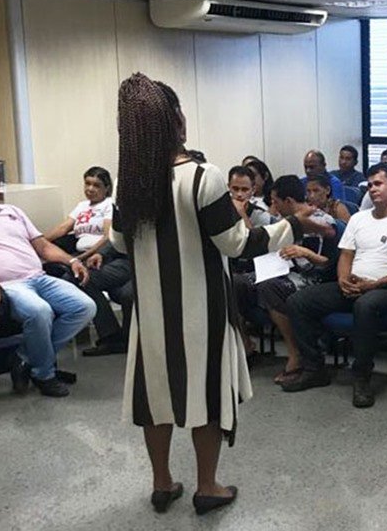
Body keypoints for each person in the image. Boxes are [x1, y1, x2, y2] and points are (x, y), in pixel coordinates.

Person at [111, 74, 319, 515]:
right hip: (201, 312)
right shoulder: (203, 176)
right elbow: (238, 243)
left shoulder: (127, 183)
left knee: (157, 396)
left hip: (149, 313)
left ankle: (162, 483)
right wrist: (294, 224)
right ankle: (208, 486)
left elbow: (117, 241)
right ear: (176, 121)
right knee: (205, 394)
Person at [283, 163, 387, 408]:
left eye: (379, 184)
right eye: (370, 185)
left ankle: (362, 377)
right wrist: (343, 279)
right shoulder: (358, 219)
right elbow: (345, 255)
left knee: (365, 307)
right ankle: (314, 368)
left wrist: (375, 284)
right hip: (354, 283)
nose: (373, 189)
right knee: (298, 301)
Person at [0, 166, 96, 397]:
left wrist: (72, 260)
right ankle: (43, 374)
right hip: (6, 286)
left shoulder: (13, 211)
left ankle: (24, 356)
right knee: (40, 312)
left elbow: (43, 247)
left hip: (39, 277)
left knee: (84, 307)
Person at [234, 175, 339, 384]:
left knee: (268, 286)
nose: (273, 206)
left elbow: (327, 263)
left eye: (276, 201)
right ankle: (246, 344)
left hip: (310, 278)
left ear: (289, 201)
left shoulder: (321, 219)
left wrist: (304, 252)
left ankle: (295, 354)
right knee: (235, 282)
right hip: (282, 271)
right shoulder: (283, 223)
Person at [43, 166, 133, 356]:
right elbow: (62, 228)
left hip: (111, 257)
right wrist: (37, 241)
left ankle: (110, 336)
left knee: (80, 278)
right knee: (72, 276)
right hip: (87, 258)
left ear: (107, 188)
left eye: (96, 185)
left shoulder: (109, 205)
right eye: (87, 183)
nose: (90, 189)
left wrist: (81, 258)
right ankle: (110, 335)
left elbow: (109, 237)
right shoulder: (82, 206)